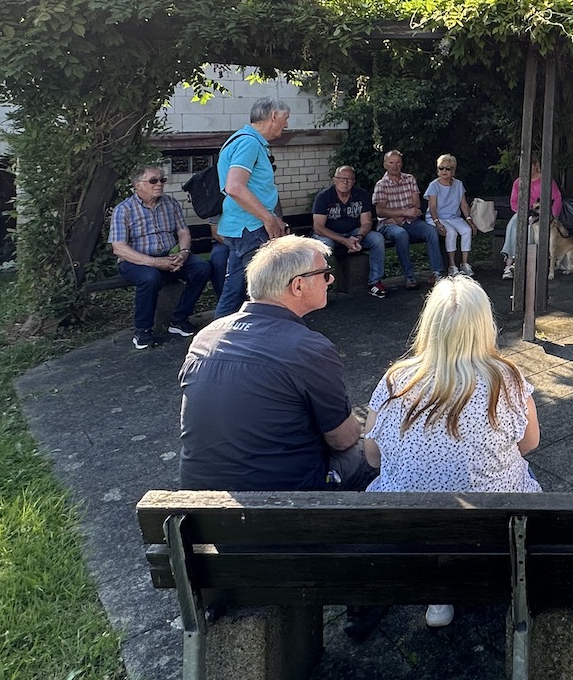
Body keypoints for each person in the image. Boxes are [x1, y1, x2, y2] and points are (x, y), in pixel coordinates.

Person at [362, 277, 541, 627]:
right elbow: (530, 443)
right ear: (484, 325)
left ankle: (438, 594)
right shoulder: (508, 379)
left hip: (410, 531)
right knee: (521, 470)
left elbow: (372, 457)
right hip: (494, 529)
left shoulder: (395, 381)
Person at [178, 236, 372, 492]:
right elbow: (342, 439)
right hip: (285, 496)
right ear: (298, 285)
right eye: (325, 273)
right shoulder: (309, 348)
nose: (331, 279)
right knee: (377, 448)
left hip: (200, 493)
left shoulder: (207, 336)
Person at [109, 164, 212, 350]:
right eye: (153, 180)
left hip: (168, 256)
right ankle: (142, 331)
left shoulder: (170, 203)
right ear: (137, 185)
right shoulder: (124, 209)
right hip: (135, 260)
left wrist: (183, 253)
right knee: (150, 277)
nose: (159, 184)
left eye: (162, 180)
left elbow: (183, 231)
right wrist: (155, 262)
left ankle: (179, 319)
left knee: (201, 268)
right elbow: (119, 248)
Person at [213, 98, 290, 318]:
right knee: (262, 292)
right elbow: (234, 187)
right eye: (285, 119)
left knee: (234, 290)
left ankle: (220, 333)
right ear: (273, 116)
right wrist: (268, 219)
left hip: (243, 226)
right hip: (251, 228)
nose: (286, 125)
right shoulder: (249, 143)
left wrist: (272, 217)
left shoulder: (243, 139)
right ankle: (262, 333)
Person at [311, 166, 388, 298]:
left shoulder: (361, 195)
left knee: (377, 239)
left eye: (349, 179)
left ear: (354, 181)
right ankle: (321, 289)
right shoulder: (324, 197)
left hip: (353, 232)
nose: (345, 182)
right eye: (342, 179)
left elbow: (366, 222)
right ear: (334, 180)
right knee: (323, 247)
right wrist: (344, 241)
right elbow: (318, 227)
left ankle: (375, 282)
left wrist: (358, 237)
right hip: (329, 234)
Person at [373, 149, 442, 288]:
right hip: (388, 225)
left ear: (402, 164)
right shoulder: (381, 185)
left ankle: (437, 273)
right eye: (391, 162)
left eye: (398, 162)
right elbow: (380, 211)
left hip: (410, 221)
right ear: (385, 164)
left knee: (431, 231)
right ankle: (409, 276)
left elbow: (416, 205)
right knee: (401, 234)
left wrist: (398, 215)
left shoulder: (410, 179)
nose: (395, 166)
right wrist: (404, 212)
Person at [500, 157, 562, 280]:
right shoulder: (518, 182)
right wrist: (522, 212)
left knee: (529, 228)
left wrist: (554, 216)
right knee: (513, 224)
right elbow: (513, 201)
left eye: (530, 165)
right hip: (524, 212)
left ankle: (522, 262)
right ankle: (509, 262)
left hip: (542, 214)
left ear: (535, 165)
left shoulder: (546, 179)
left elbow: (557, 198)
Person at [425, 154, 474, 278]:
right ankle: (452, 265)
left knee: (467, 230)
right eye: (441, 168)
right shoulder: (434, 185)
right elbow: (432, 207)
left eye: (448, 168)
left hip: (453, 217)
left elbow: (463, 204)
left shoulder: (458, 184)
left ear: (453, 170)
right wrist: (437, 223)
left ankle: (464, 263)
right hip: (437, 217)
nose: (444, 171)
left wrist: (469, 220)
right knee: (451, 232)